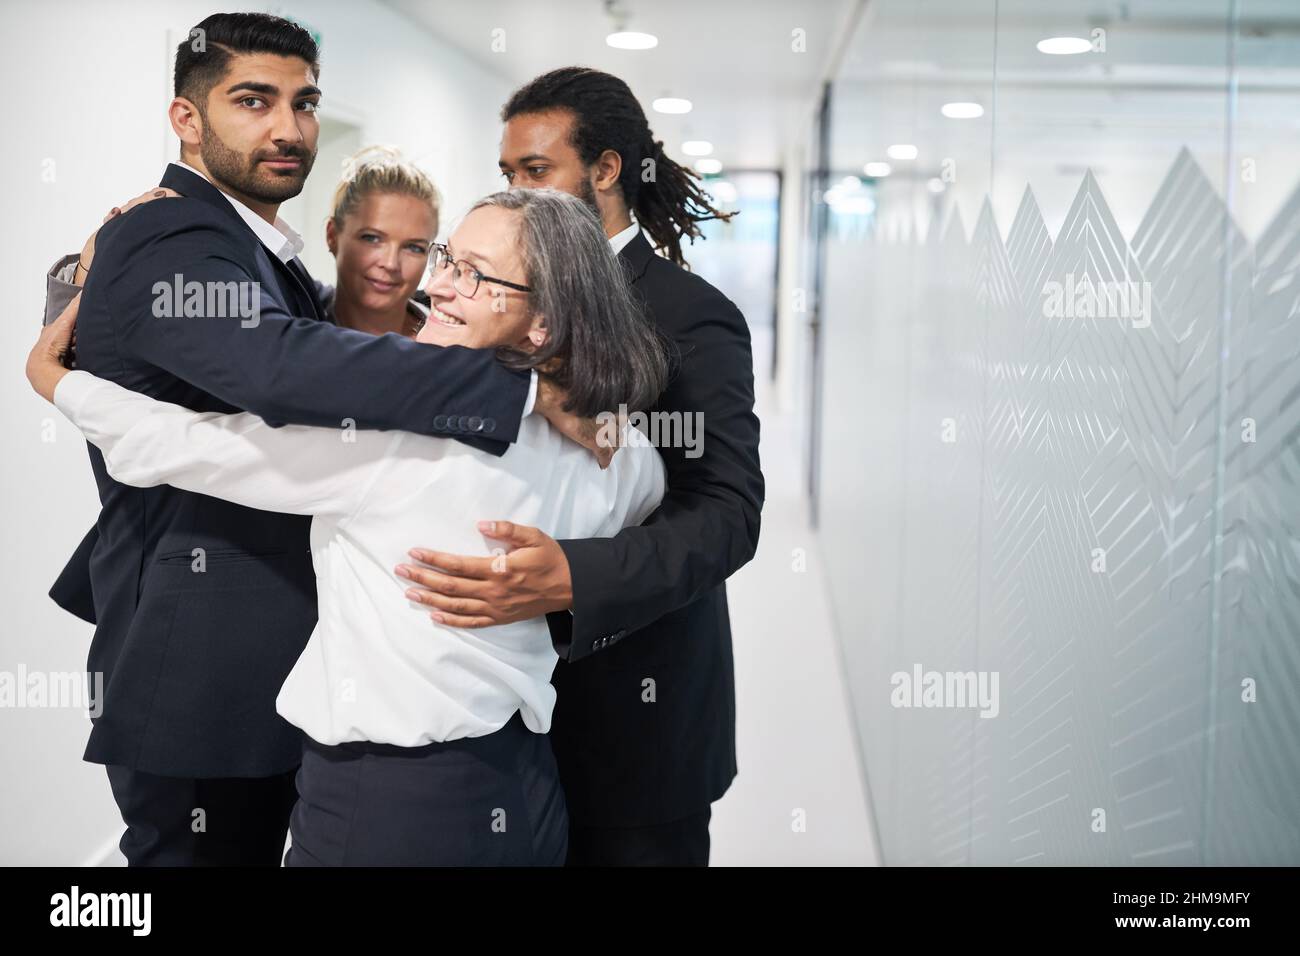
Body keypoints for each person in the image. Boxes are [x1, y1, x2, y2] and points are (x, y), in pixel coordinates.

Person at [39, 12, 595, 867]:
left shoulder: (264, 254)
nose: (288, 128)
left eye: (304, 104)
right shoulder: (171, 231)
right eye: (253, 101)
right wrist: (515, 383)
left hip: (268, 669)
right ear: (186, 118)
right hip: (200, 671)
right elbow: (271, 367)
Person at [399, 67, 766, 865]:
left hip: (635, 720)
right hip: (496, 718)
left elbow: (726, 512)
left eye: (538, 171)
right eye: (508, 175)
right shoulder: (488, 290)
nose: (519, 191)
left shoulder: (689, 317)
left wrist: (575, 576)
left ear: (605, 171)